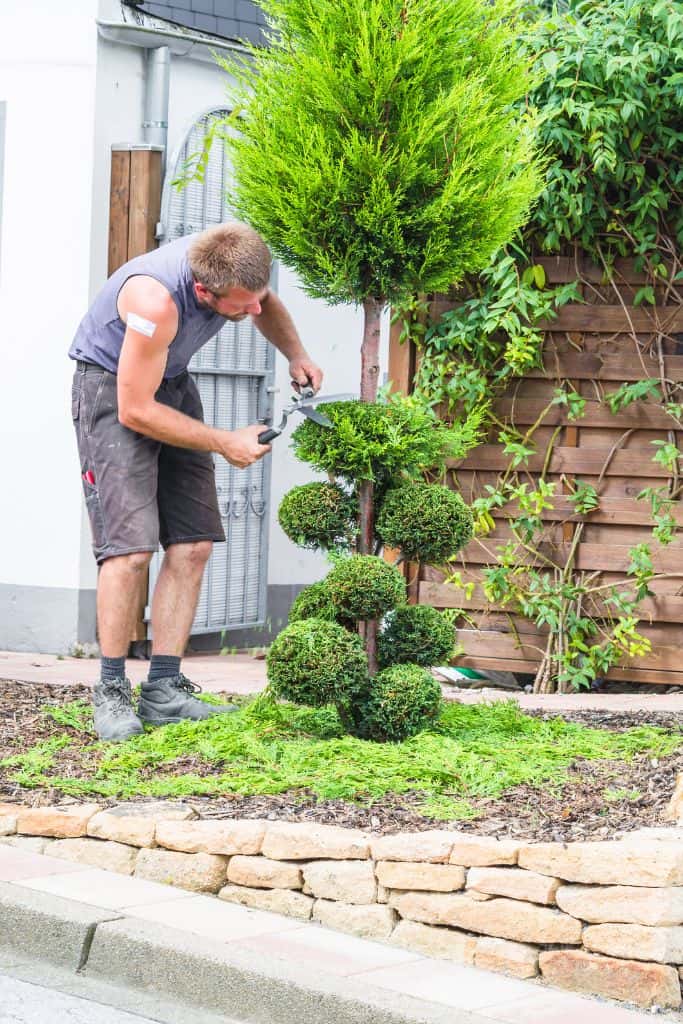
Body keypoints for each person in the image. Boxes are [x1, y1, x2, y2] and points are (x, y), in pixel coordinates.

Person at [69, 222, 323, 741]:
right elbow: (135, 409)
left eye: (258, 298)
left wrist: (295, 354)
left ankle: (164, 691)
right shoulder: (154, 301)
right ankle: (112, 690)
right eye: (241, 305)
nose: (253, 312)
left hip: (172, 380)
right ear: (204, 292)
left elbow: (264, 301)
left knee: (193, 544)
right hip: (113, 393)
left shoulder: (235, 265)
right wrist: (225, 441)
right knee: (129, 551)